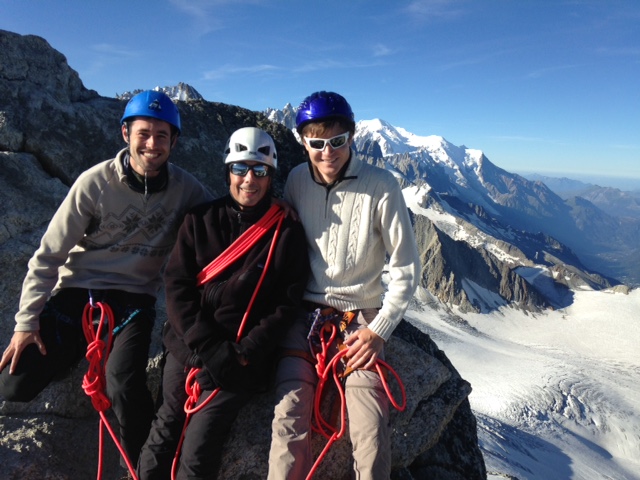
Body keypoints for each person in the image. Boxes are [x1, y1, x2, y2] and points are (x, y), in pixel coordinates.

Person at [0, 90, 213, 470]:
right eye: (144, 133)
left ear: (174, 142)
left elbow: (219, 225)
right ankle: (70, 351)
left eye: (162, 136)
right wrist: (25, 324)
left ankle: (145, 469)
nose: (152, 144)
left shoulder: (187, 191)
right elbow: (49, 255)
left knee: (123, 385)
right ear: (126, 134)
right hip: (78, 292)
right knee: (15, 384)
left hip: (134, 301)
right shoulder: (94, 183)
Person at [137, 127, 310, 480]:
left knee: (199, 444)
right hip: (190, 347)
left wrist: (243, 353)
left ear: (270, 176)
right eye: (240, 169)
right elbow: (178, 286)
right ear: (227, 171)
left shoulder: (286, 233)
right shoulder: (199, 220)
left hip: (239, 360)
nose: (249, 179)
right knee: (166, 426)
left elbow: (285, 305)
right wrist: (207, 347)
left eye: (260, 171)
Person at [267, 91, 421, 479]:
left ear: (352, 137)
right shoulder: (296, 180)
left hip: (361, 316)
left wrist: (378, 332)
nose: (327, 152)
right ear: (303, 142)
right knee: (288, 416)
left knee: (368, 425)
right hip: (305, 316)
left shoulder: (381, 186)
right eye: (316, 143)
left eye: (337, 141)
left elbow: (406, 268)